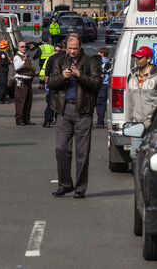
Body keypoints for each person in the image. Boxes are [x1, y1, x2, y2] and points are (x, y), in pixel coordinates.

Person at [47, 33, 101, 198]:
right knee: (61, 149)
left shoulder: (90, 62)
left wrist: (79, 75)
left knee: (82, 152)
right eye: (69, 48)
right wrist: (62, 77)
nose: (72, 51)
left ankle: (80, 188)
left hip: (83, 111)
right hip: (63, 110)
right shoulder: (60, 61)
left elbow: (96, 84)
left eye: (75, 48)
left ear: (80, 46)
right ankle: (65, 184)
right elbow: (50, 83)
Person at [125, 46, 157, 128]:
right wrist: (128, 125)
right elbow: (128, 103)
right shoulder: (131, 77)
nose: (136, 60)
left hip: (154, 127)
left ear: (148, 59)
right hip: (136, 127)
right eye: (136, 57)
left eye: (140, 57)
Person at [42, 41, 66, 128]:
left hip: (53, 82)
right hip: (64, 82)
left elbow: (47, 72)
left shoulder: (52, 58)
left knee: (51, 102)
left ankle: (47, 121)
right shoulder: (68, 58)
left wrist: (47, 83)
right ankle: (59, 120)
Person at [13, 41, 36, 125]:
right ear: (19, 48)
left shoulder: (27, 56)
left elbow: (30, 66)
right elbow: (17, 67)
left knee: (28, 101)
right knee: (20, 101)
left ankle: (26, 119)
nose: (24, 48)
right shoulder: (17, 57)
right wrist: (23, 61)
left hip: (28, 80)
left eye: (25, 46)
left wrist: (34, 72)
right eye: (22, 46)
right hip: (21, 81)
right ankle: (19, 119)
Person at [94, 47, 111, 128]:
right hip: (108, 85)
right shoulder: (110, 62)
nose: (98, 54)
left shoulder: (100, 63)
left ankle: (100, 121)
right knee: (107, 103)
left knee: (100, 103)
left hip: (102, 85)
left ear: (102, 54)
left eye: (99, 52)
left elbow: (101, 75)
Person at [0, 39, 11, 104]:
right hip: (2, 72)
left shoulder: (4, 53)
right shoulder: (2, 54)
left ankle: (3, 99)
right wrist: (9, 62)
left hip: (4, 71)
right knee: (1, 85)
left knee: (4, 85)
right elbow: (3, 62)